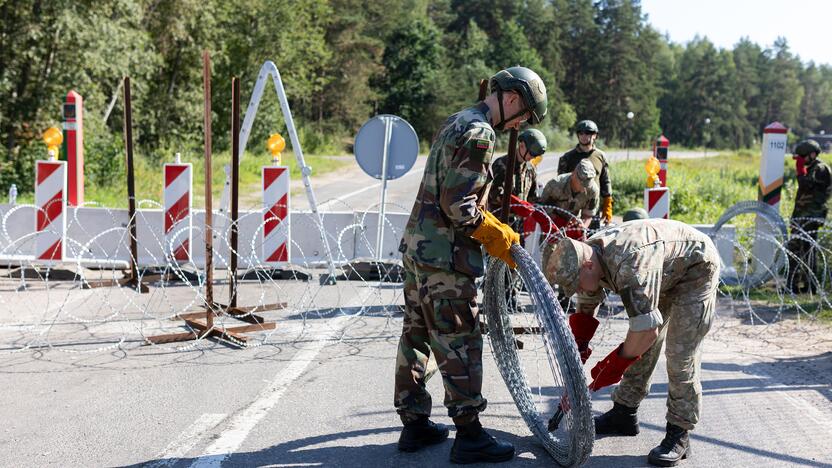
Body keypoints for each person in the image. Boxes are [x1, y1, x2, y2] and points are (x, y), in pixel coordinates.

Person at [395, 66, 547, 464]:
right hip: (445, 258)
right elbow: (458, 205)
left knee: (416, 334)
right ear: (512, 99)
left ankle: (413, 424)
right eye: (525, 115)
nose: (522, 123)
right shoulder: (481, 133)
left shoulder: (457, 119)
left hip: (419, 249)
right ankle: (469, 434)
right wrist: (495, 235)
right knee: (460, 338)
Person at [546, 219, 720, 467]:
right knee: (640, 344)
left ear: (587, 266)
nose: (577, 289)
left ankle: (679, 433)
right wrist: (578, 355)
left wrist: (609, 369)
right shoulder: (588, 257)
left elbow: (646, 331)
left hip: (695, 270)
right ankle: (624, 414)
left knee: (679, 355)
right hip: (662, 268)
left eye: (577, 283)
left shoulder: (629, 266)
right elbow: (586, 307)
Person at [786, 139, 831, 293]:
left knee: (807, 251)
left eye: (803, 157)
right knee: (797, 250)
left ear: (812, 154)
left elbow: (807, 185)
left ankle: (809, 286)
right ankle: (797, 285)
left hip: (811, 217)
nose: (801, 160)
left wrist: (800, 171)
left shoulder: (821, 168)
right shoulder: (812, 167)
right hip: (802, 216)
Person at [557, 119, 613, 226]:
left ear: (595, 135)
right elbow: (560, 184)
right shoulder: (567, 158)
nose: (584, 135)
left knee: (593, 240)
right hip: (571, 209)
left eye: (588, 132)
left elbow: (605, 181)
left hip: (592, 207)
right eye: (581, 133)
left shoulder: (601, 156)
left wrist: (607, 206)